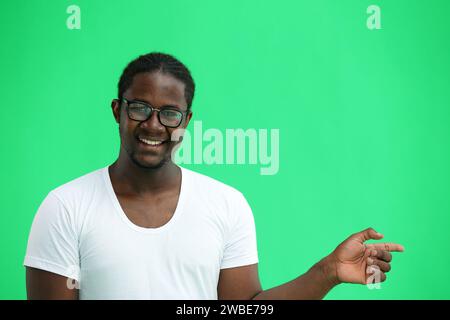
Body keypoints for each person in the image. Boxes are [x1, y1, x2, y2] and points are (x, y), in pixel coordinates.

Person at [24, 52, 404, 300]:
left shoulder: (225, 204)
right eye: (139, 107)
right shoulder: (66, 207)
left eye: (169, 113)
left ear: (186, 122)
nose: (153, 125)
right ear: (116, 110)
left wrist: (329, 273)